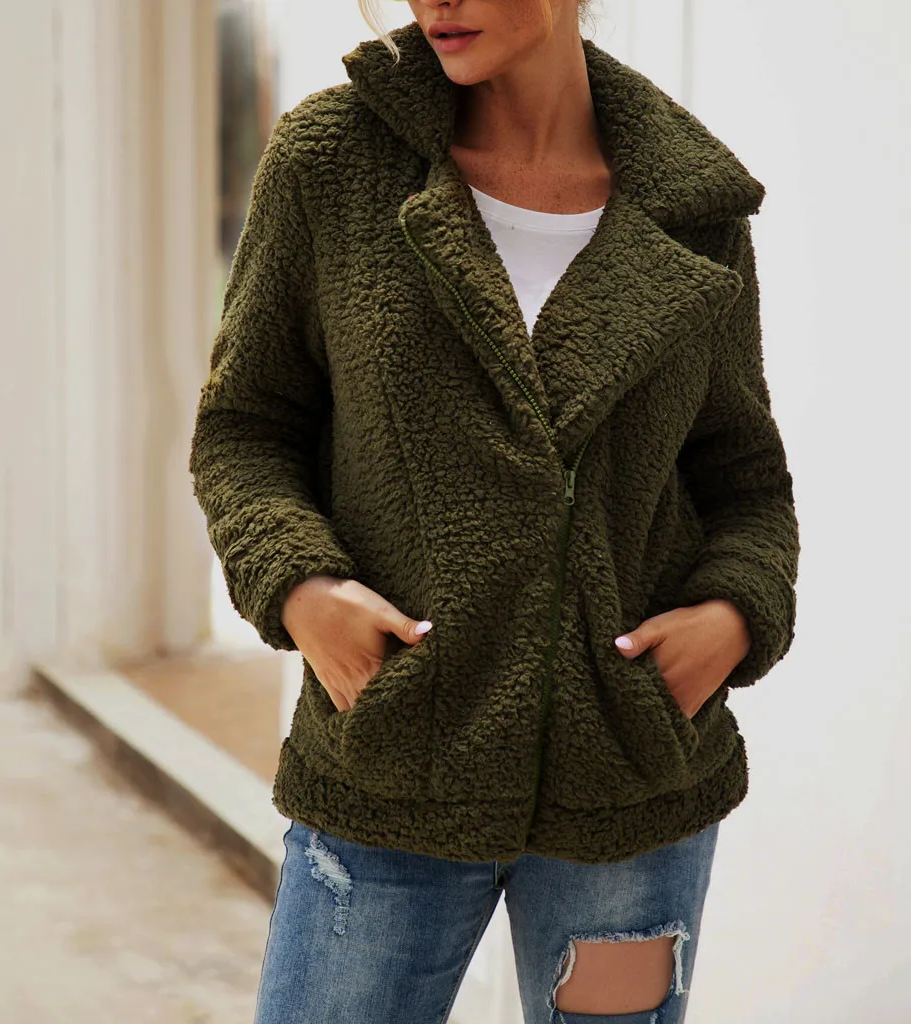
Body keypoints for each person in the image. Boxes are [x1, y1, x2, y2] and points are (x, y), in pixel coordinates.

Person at [188, 1, 800, 1021]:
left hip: (628, 794)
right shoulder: (332, 164)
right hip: (393, 761)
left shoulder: (691, 205)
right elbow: (243, 429)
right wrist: (299, 588)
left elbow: (744, 478)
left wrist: (736, 615)